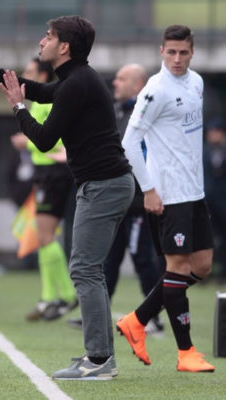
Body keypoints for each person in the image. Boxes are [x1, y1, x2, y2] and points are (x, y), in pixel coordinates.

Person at [0, 15, 134, 380]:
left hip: (105, 185)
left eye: (48, 36)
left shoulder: (78, 83)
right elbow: (42, 92)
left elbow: (44, 140)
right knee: (89, 269)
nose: (41, 41)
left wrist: (17, 108)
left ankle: (99, 360)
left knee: (84, 269)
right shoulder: (76, 80)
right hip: (104, 184)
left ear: (64, 47)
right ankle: (100, 356)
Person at [119, 25, 215, 372]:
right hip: (168, 194)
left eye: (183, 52)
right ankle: (186, 353)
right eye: (171, 52)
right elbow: (129, 143)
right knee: (177, 268)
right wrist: (148, 189)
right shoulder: (154, 90)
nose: (177, 58)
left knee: (201, 267)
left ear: (192, 52)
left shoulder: (197, 83)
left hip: (194, 192)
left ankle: (136, 320)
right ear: (161, 51)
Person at [67, 64, 163, 334]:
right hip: (118, 200)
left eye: (121, 79)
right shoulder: (117, 111)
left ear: (137, 85)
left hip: (139, 201)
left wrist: (149, 190)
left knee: (142, 258)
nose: (115, 83)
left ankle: (153, 317)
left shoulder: (144, 113)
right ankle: (94, 315)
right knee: (108, 259)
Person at [10, 58, 77, 321]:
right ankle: (51, 296)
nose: (25, 75)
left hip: (54, 173)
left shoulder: (49, 102)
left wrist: (26, 143)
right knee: (43, 236)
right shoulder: (38, 103)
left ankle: (63, 295)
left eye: (29, 72)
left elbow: (53, 139)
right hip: (44, 173)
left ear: (43, 75)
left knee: (46, 235)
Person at [203, 118, 226, 283]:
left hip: (223, 203)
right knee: (206, 238)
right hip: (207, 203)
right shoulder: (203, 152)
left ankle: (222, 272)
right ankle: (204, 273)